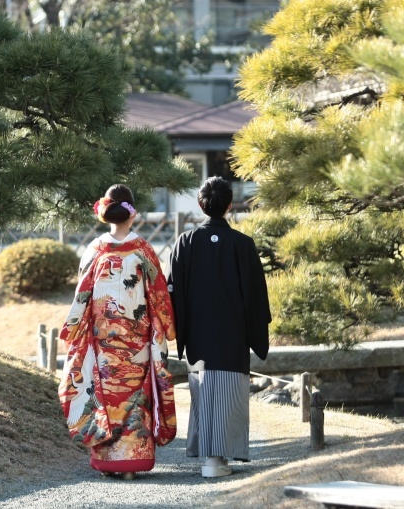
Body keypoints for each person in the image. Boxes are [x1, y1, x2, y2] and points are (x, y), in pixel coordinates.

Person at [58, 184, 177, 479]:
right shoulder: (143, 250)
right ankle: (131, 464)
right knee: (136, 396)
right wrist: (169, 327)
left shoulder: (94, 250)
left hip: (102, 342)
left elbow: (82, 294)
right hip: (136, 340)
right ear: (132, 214)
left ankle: (108, 462)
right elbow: (159, 296)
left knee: (105, 393)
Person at [167, 176, 271, 478]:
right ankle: (219, 457)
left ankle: (209, 459)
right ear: (228, 205)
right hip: (233, 336)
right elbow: (256, 297)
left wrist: (178, 330)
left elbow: (174, 293)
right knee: (229, 392)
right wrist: (255, 332)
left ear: (201, 204)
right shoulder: (243, 244)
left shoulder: (185, 243)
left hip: (198, 336)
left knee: (203, 390)